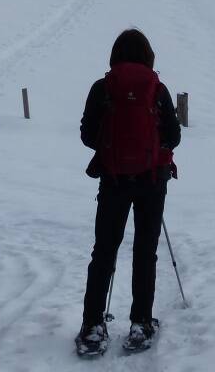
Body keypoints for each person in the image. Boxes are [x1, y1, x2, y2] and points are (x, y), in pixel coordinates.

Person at [75, 29, 181, 357]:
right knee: (144, 251)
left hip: (113, 180)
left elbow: (88, 135)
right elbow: (173, 137)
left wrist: (112, 147)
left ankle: (93, 327)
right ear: (148, 55)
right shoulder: (158, 89)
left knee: (104, 251)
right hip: (152, 180)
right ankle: (140, 323)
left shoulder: (102, 88)